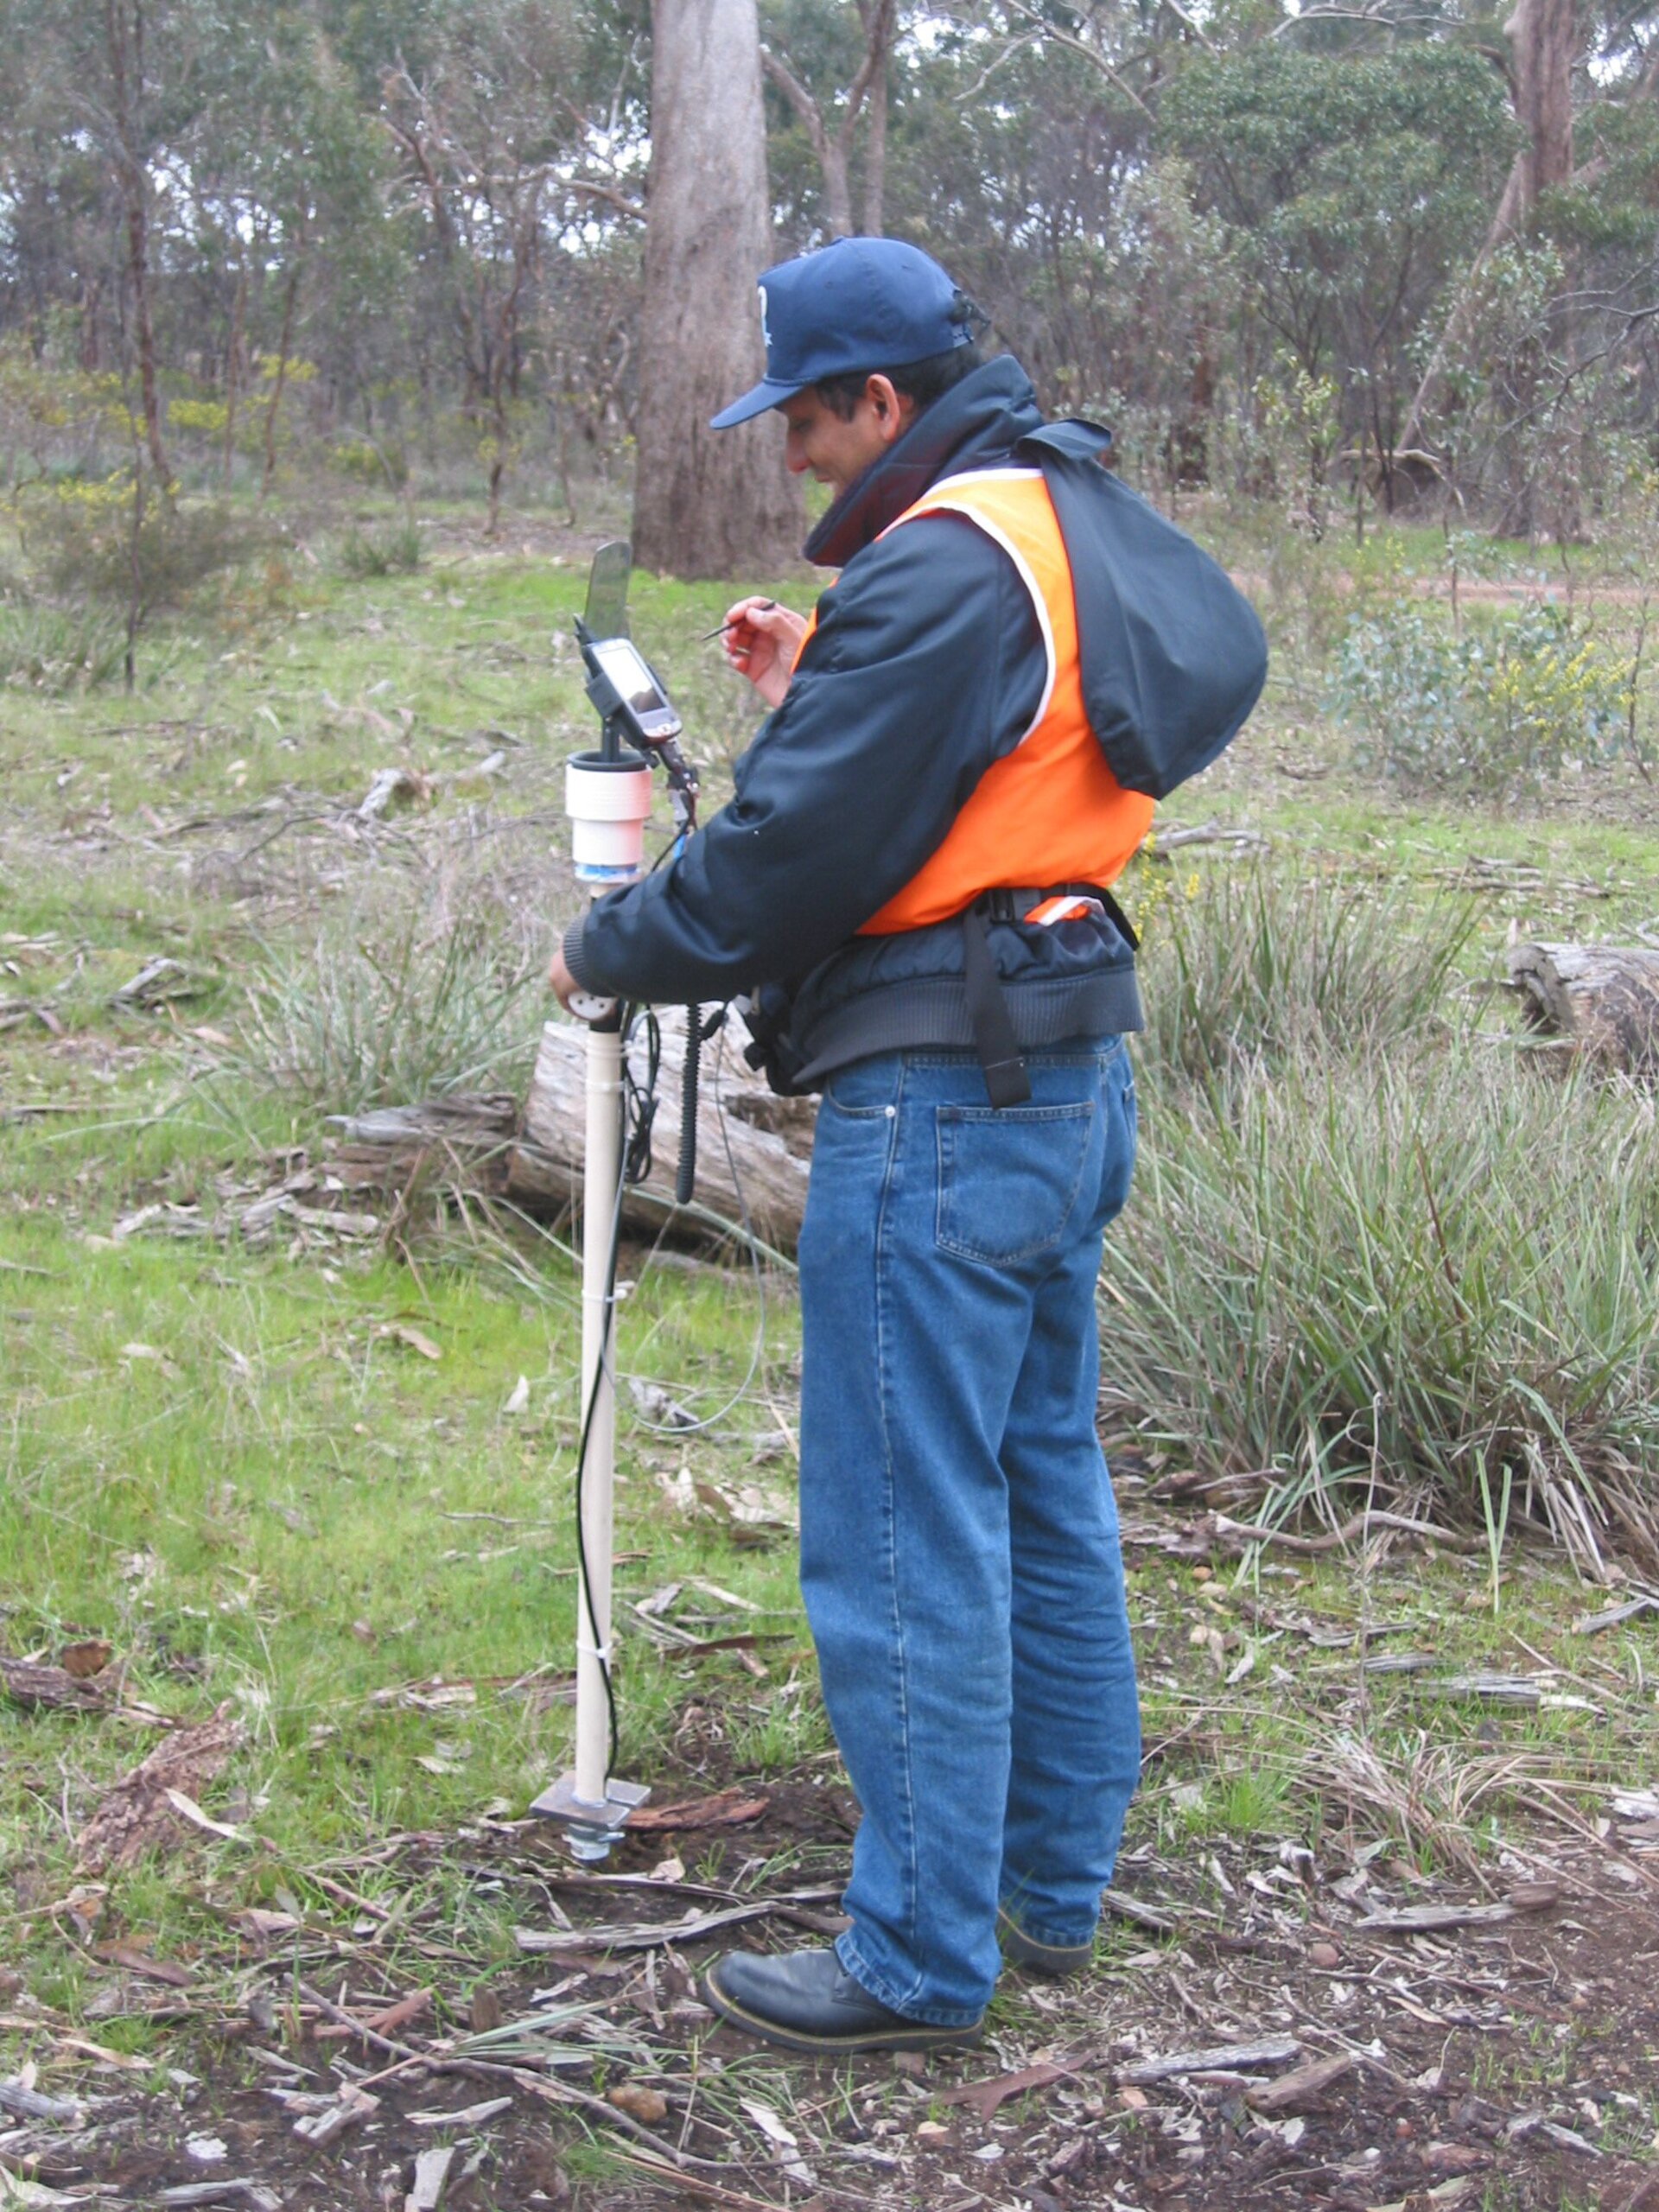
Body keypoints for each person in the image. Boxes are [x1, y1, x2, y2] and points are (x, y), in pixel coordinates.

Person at [547, 236, 1262, 2055]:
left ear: (878, 399)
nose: (788, 452)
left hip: (941, 1102)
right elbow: (992, 759)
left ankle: (921, 1958)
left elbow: (783, 863)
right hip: (1061, 1064)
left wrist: (609, 945)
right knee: (1040, 1485)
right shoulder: (1048, 513)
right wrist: (830, 686)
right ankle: (1047, 1888)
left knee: (900, 1529)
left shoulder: (943, 563)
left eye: (801, 417)